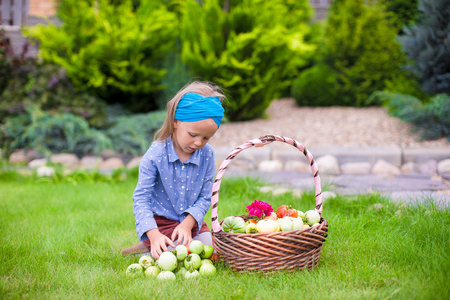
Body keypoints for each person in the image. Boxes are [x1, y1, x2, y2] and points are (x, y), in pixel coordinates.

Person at [121, 81, 226, 259]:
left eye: (206, 137)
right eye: (193, 135)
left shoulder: (207, 155)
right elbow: (141, 198)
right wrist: (153, 233)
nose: (199, 143)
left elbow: (204, 197)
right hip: (160, 224)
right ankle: (150, 243)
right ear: (175, 122)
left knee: (214, 254)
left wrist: (187, 224)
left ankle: (155, 246)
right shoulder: (156, 153)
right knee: (177, 256)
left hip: (191, 223)